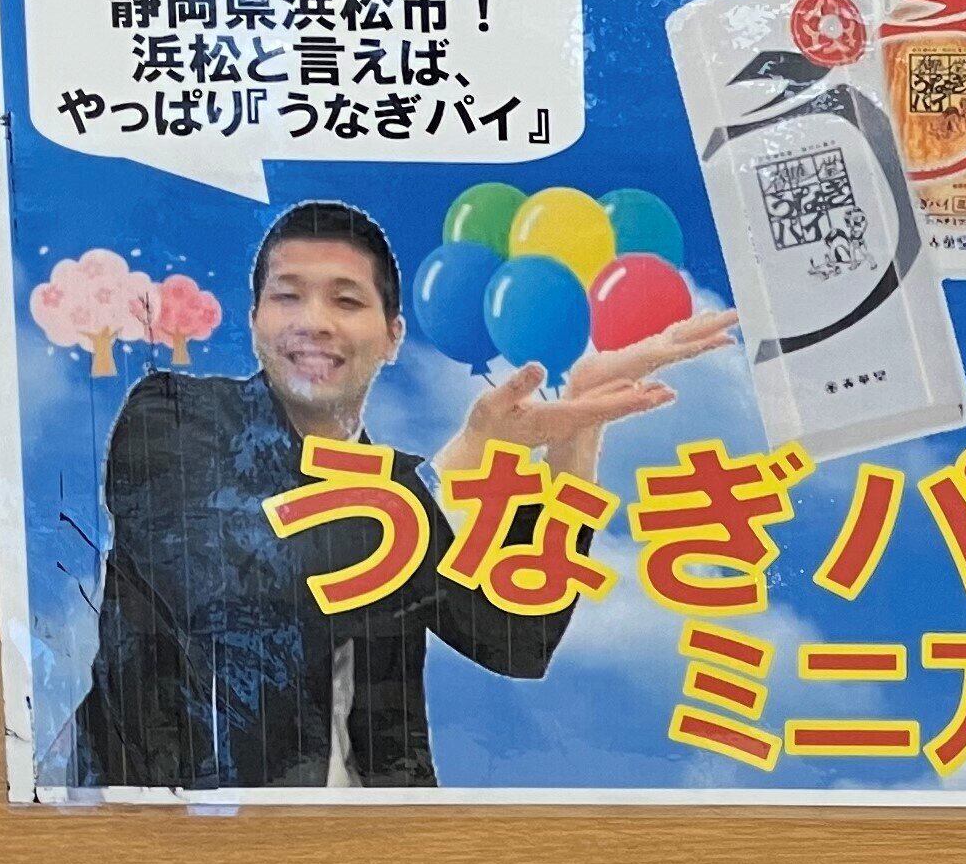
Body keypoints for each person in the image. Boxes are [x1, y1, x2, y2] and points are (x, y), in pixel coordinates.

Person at [70, 197, 731, 788]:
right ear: (254, 320)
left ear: (393, 337)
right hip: (178, 842)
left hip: (380, 842)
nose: (314, 322)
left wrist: (579, 425)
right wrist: (462, 459)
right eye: (288, 297)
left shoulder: (407, 486)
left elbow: (518, 637)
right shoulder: (172, 415)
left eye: (347, 301)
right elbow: (231, 582)